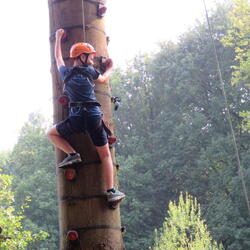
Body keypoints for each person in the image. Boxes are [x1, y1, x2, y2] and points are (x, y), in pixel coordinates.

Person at [47, 28, 125, 204]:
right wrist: (110, 68)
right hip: (93, 116)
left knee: (51, 133)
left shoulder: (65, 73)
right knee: (105, 155)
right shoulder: (89, 71)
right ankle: (111, 191)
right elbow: (104, 79)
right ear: (81, 57)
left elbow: (58, 58)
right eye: (89, 56)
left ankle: (73, 154)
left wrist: (58, 38)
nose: (92, 59)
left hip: (77, 118)